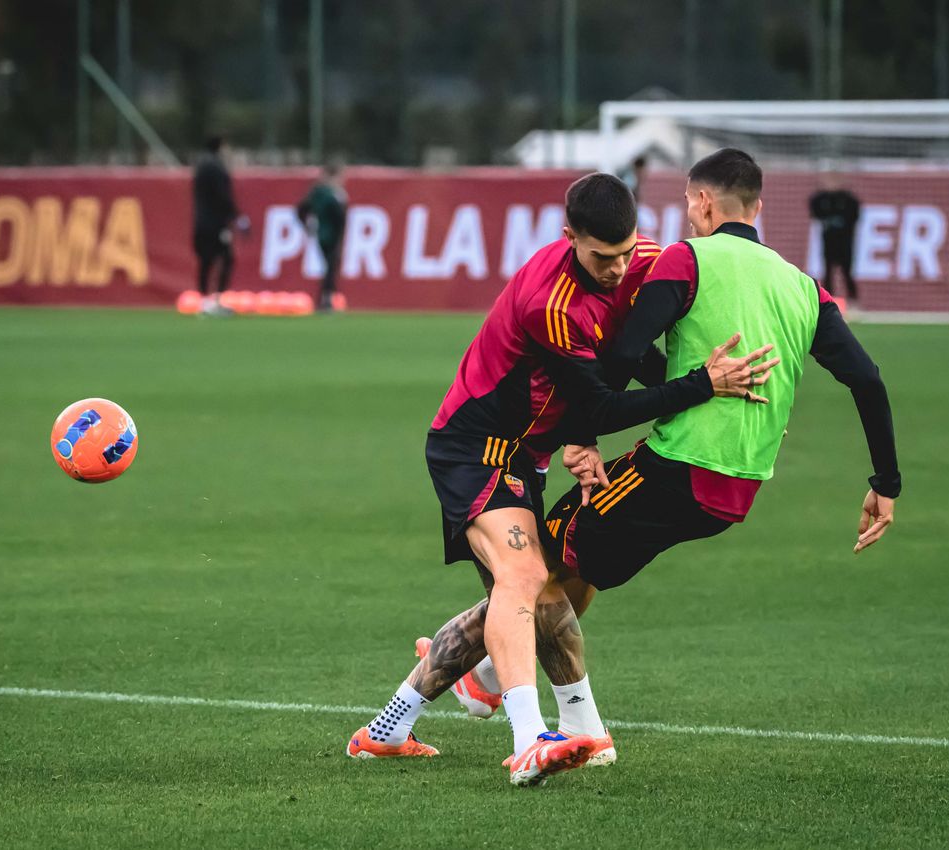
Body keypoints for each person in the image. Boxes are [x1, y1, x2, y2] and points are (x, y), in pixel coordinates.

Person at [426, 149, 900, 723]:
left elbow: (618, 366)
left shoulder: (682, 259)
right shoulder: (803, 286)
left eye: (685, 202)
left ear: (701, 202)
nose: (623, 268)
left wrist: (598, 431)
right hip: (741, 488)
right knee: (573, 566)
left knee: (532, 568)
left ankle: (473, 679)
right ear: (758, 206)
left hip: (679, 464)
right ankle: (492, 682)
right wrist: (886, 481)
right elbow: (868, 379)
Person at [345, 173, 779, 787]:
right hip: (475, 450)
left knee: (554, 588)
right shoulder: (551, 303)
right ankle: (532, 740)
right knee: (526, 579)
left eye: (627, 252)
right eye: (604, 257)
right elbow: (601, 400)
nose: (618, 268)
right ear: (569, 235)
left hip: (529, 458)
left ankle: (390, 728)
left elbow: (633, 356)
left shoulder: (644, 259)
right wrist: (701, 386)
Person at [192, 135, 247, 300]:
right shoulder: (216, 167)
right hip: (215, 224)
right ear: (220, 147)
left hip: (201, 222)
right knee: (225, 259)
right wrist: (237, 217)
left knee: (206, 261)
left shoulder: (201, 165)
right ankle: (217, 298)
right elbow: (223, 197)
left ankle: (203, 299)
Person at [297, 161, 349, 312]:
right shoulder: (329, 193)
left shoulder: (318, 192)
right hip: (330, 234)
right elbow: (338, 216)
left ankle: (325, 299)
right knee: (331, 267)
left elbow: (301, 209)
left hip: (323, 233)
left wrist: (306, 225)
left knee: (329, 267)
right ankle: (325, 300)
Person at [809, 176, 861, 303]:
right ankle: (827, 301)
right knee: (828, 272)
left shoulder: (847, 199)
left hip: (845, 244)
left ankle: (853, 301)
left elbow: (855, 214)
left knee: (847, 272)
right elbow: (813, 207)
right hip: (828, 243)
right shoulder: (822, 199)